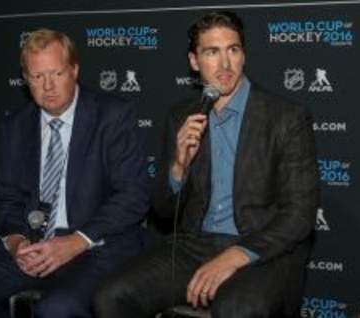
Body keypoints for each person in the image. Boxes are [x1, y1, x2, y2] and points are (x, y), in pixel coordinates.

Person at [94, 11, 319, 318]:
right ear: (194, 61)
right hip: (195, 245)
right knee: (112, 296)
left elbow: (299, 215)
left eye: (233, 50)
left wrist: (236, 255)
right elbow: (162, 211)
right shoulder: (182, 116)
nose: (225, 64)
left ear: (243, 55)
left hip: (261, 248)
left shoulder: (286, 117)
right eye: (212, 52)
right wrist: (178, 167)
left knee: (237, 309)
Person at [0, 29, 149, 318]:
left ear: (74, 70)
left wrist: (75, 242)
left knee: (57, 309)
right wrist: (17, 241)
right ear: (25, 80)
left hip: (93, 248)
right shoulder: (16, 126)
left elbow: (133, 196)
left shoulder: (112, 116)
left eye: (56, 74)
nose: (48, 86)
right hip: (31, 248)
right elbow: (5, 201)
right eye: (37, 77)